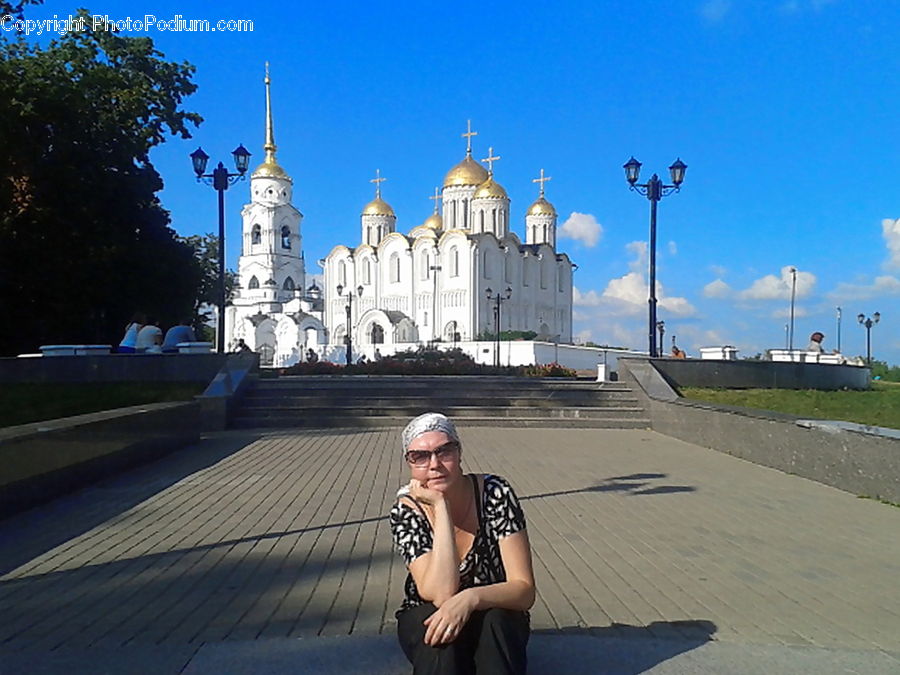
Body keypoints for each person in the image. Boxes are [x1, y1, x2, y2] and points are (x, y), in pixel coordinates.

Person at [390, 412, 534, 674]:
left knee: (496, 622)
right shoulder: (406, 511)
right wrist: (441, 506)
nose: (434, 464)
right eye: (420, 456)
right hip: (427, 612)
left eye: (444, 451)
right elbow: (442, 594)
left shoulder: (495, 494)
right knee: (436, 633)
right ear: (409, 464)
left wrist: (471, 598)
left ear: (459, 453)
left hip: (493, 611)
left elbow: (524, 591)